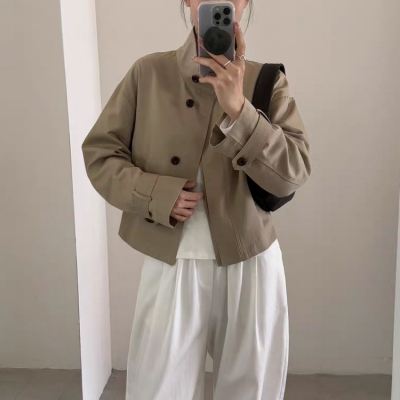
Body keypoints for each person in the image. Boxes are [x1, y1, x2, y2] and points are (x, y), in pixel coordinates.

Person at [81, 0, 311, 399]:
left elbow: (294, 170)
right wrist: (157, 195)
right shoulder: (148, 73)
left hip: (250, 259)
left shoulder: (266, 80)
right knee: (157, 389)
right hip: (171, 256)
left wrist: (240, 110)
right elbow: (101, 154)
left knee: (250, 390)